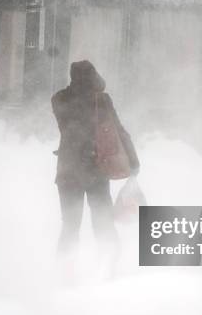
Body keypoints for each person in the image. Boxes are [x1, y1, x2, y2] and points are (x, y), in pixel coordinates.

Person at [51, 60, 140, 256]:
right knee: (103, 223)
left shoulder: (59, 99)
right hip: (96, 170)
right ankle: (109, 266)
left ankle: (66, 272)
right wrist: (133, 161)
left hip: (68, 172)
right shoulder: (102, 100)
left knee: (70, 226)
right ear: (93, 76)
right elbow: (119, 131)